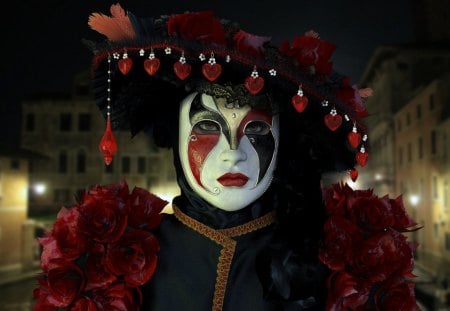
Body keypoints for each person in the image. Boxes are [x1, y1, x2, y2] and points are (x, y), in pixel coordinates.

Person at [32, 4, 421, 311]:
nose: (233, 153)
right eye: (206, 127)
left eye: (256, 131)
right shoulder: (113, 259)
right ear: (177, 134)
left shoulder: (337, 261)